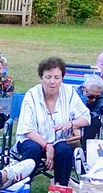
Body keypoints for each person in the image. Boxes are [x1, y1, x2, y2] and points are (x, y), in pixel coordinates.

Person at [13, 57, 91, 185]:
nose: (52, 82)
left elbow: (86, 118)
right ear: (41, 78)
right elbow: (26, 130)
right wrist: (47, 145)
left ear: (62, 78)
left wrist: (71, 124)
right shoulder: (32, 95)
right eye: (48, 77)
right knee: (33, 150)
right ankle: (21, 188)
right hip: (33, 140)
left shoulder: (69, 92)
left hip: (59, 140)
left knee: (64, 150)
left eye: (57, 77)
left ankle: (60, 190)